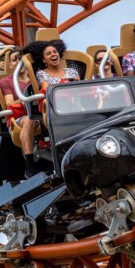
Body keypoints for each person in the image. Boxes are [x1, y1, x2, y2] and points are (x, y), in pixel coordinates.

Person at [19, 40, 80, 176]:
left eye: (54, 52)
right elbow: (46, 88)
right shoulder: (42, 74)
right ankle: (30, 164)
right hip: (54, 108)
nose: (53, 54)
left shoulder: (72, 70)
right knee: (29, 121)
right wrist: (66, 83)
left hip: (75, 105)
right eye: (48, 53)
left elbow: (79, 87)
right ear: (44, 60)